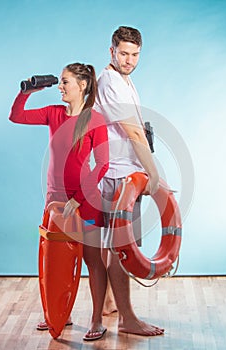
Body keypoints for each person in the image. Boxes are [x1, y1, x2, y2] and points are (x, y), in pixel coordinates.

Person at [9, 63, 109, 340]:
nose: (61, 87)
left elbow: (102, 164)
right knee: (54, 259)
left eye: (65, 82)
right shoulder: (54, 113)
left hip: (85, 201)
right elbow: (16, 116)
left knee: (92, 260)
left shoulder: (95, 120)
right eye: (61, 82)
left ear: (83, 85)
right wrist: (29, 91)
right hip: (55, 200)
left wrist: (77, 200)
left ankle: (97, 320)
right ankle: (57, 314)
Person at [95, 26, 165, 336]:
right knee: (123, 247)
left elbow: (138, 128)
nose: (130, 60)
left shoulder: (124, 79)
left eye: (135, 54)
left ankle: (111, 303)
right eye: (123, 53)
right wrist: (155, 173)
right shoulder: (111, 82)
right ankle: (127, 318)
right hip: (119, 175)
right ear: (111, 51)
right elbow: (133, 132)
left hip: (122, 171)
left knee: (113, 247)